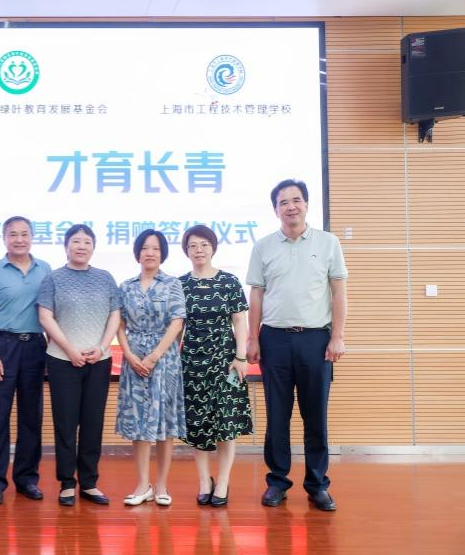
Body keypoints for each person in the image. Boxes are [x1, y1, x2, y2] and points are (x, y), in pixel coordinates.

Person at [247, 179, 347, 512]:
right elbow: (256, 295)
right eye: (283, 202)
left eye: (296, 200)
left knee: (315, 415)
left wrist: (337, 335)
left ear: (306, 204)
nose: (291, 206)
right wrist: (252, 337)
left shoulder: (328, 243)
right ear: (275, 209)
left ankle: (317, 485)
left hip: (315, 339)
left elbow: (338, 292)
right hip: (274, 339)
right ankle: (277, 482)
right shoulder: (263, 246)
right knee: (277, 416)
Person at [38, 224, 121, 506]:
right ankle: (66, 483)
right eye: (76, 241)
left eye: (87, 242)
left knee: (92, 423)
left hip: (99, 361)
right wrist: (70, 349)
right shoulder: (53, 278)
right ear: (66, 246)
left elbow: (115, 314)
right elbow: (45, 317)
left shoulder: (105, 277)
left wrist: (102, 347)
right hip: (62, 360)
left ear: (93, 247)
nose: (81, 246)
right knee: (65, 422)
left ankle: (89, 482)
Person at [0, 216, 52, 504]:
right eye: (13, 234)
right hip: (4, 345)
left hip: (35, 346)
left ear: (32, 237)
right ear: (4, 238)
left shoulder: (45, 269)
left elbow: (50, 313)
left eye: (24, 234)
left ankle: (27, 479)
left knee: (31, 416)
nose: (19, 239)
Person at [179, 224, 253, 508]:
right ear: (186, 251)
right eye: (193, 245)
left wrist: (241, 357)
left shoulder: (229, 282)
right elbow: (177, 328)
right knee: (197, 424)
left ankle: (222, 481)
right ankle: (203, 481)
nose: (199, 250)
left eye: (204, 244)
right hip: (192, 362)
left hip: (225, 362)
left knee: (226, 422)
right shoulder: (180, 284)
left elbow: (240, 321)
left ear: (213, 247)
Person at [115, 229, 186, 507]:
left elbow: (177, 322)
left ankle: (161, 485)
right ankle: (142, 485)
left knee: (165, 423)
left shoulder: (172, 284)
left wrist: (155, 355)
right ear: (137, 253)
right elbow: (119, 324)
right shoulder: (126, 286)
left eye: (155, 248)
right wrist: (129, 355)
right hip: (134, 359)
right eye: (145, 248)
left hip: (164, 359)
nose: (150, 253)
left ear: (163, 253)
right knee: (139, 422)